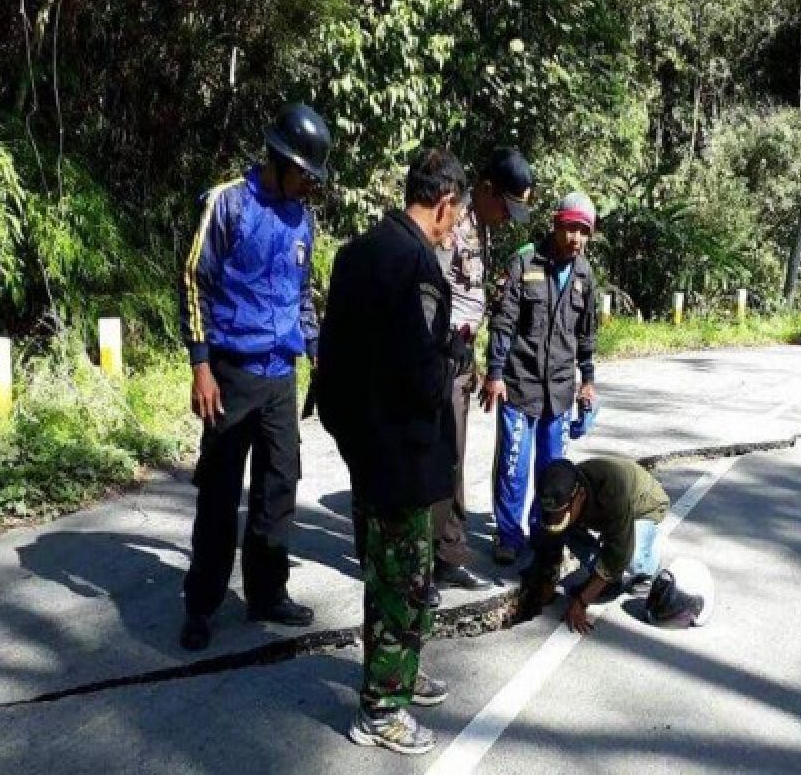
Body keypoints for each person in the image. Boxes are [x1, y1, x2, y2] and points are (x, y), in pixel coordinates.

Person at [316, 148, 471, 755]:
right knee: (400, 580)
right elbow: (418, 371)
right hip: (402, 454)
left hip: (367, 446)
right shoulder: (417, 265)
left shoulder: (355, 253)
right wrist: (451, 357)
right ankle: (381, 709)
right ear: (446, 202)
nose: (454, 226)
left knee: (397, 573)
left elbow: (336, 360)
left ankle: (401, 673)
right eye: (455, 216)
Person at [177, 103, 331, 651]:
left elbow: (302, 297)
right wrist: (201, 366)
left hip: (279, 375)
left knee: (278, 487)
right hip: (230, 373)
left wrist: (316, 355)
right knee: (219, 493)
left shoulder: (301, 219)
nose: (310, 186)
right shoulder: (227, 204)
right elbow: (194, 281)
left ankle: (268, 593)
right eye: (306, 175)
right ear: (282, 160)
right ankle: (202, 605)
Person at [427, 147, 535, 605]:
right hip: (436, 357)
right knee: (434, 462)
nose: (508, 219)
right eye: (505, 206)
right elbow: (431, 292)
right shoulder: (453, 223)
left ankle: (449, 556)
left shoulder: (483, 229)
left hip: (461, 358)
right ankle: (422, 566)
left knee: (453, 459)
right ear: (487, 190)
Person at [479, 192, 599, 564]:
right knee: (514, 466)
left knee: (554, 472)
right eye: (570, 228)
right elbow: (503, 322)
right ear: (556, 224)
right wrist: (495, 373)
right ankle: (508, 535)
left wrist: (588, 380)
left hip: (561, 391)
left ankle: (543, 533)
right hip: (519, 384)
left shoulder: (584, 274)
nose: (575, 238)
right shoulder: (525, 261)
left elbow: (586, 334)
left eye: (583, 231)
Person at [519, 457, 671, 634]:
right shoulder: (555, 493)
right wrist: (547, 578)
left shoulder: (612, 491)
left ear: (580, 496)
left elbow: (618, 553)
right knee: (566, 529)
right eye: (552, 514)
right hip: (604, 517)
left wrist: (582, 601)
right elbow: (551, 536)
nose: (555, 519)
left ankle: (649, 551)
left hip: (644, 504)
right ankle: (609, 582)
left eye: (561, 514)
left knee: (634, 561)